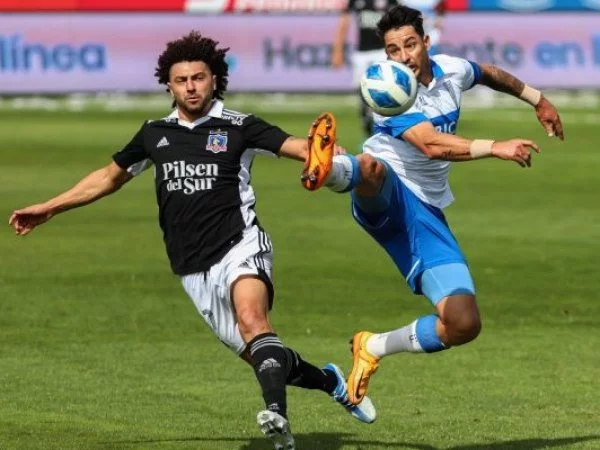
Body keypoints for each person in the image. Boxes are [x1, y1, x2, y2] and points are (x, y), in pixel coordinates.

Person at [8, 31, 376, 450]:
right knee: (264, 357)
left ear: (214, 79)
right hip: (190, 267)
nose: (191, 87)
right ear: (168, 85)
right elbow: (108, 178)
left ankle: (277, 416)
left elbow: (299, 147)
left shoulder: (240, 126)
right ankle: (331, 381)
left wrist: (324, 154)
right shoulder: (154, 134)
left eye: (198, 78)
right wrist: (50, 207)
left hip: (240, 244)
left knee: (253, 320)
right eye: (181, 80)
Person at [305, 5, 564, 406]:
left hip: (426, 211)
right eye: (393, 50)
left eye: (410, 45)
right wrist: (495, 146)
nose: (403, 56)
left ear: (426, 43)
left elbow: (489, 73)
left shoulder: (451, 70)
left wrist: (537, 99)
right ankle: (330, 169)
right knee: (371, 167)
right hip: (388, 191)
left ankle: (372, 346)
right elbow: (430, 145)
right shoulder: (388, 91)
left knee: (463, 322)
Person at [331, 0, 400, 138]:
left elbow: (398, 25)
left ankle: (386, 132)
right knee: (363, 94)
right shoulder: (356, 2)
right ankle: (368, 133)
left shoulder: (391, 2)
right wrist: (337, 50)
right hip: (362, 53)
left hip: (382, 52)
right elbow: (344, 22)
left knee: (384, 92)